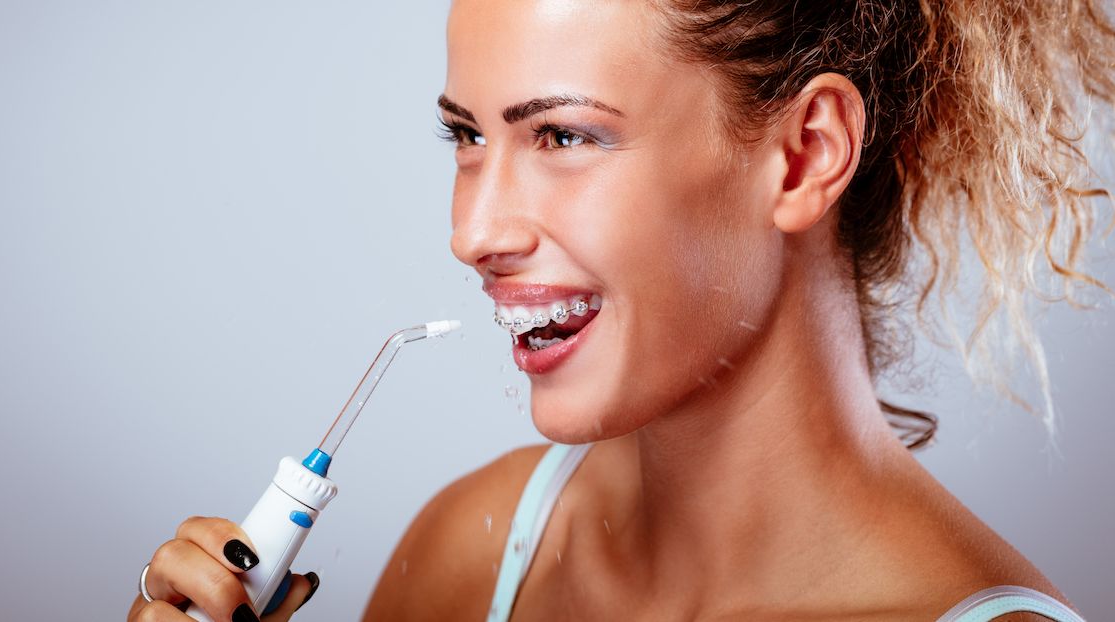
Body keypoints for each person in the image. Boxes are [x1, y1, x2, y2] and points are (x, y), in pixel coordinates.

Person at [130, 0, 1113, 620]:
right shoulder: (469, 555)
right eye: (465, 137)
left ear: (805, 152)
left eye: (561, 135)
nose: (470, 231)